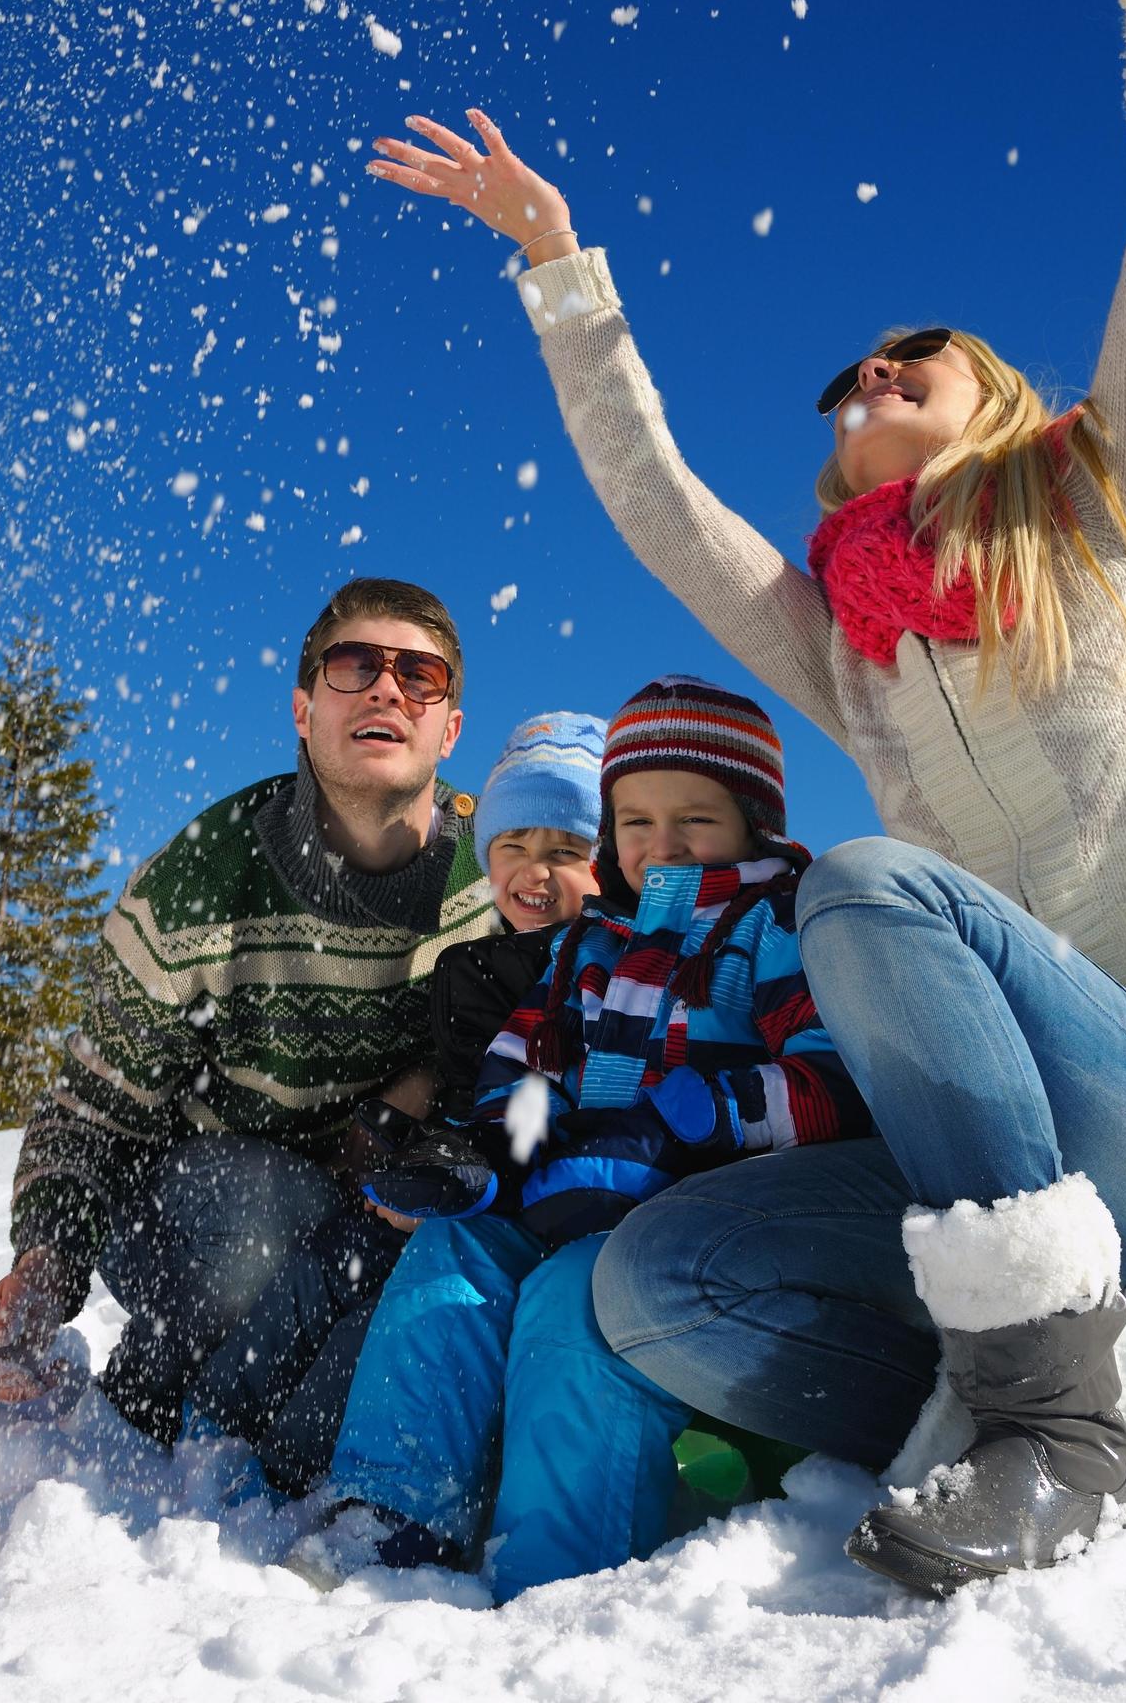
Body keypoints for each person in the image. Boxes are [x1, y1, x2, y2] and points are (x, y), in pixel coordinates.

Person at [361, 0, 1126, 1597]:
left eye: (912, 357)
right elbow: (657, 507)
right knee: (654, 1278)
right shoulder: (849, 644)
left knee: (875, 889)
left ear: (1002, 401)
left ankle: (1047, 1425)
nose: (865, 378)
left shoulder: (1106, 511)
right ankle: (1103, 1436)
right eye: (845, 376)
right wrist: (562, 268)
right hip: (999, 1186)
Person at [286, 676, 873, 1600]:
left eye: (696, 821)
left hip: (704, 1214)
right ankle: (395, 1506)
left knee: (574, 1297)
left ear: (753, 820)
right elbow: (529, 1070)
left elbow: (835, 1076)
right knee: (456, 1247)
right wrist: (491, 1152)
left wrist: (723, 1108)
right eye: (635, 822)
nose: (662, 845)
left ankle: (556, 1569)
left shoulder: (773, 924)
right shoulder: (588, 946)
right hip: (577, 1187)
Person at [0, 579, 495, 1446]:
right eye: (355, 666)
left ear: (450, 727)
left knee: (432, 1263)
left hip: (387, 1197)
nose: (388, 690)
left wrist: (423, 1086)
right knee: (268, 1221)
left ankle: (306, 1428)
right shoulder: (200, 884)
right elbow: (94, 1108)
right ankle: (161, 1406)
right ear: (303, 708)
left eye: (420, 677)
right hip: (201, 1203)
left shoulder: (493, 880)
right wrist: (46, 1268)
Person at [172, 711, 606, 1494]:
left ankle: (286, 1471)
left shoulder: (609, 971)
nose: (534, 873)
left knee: (382, 1320)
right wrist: (409, 1150)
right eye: (512, 847)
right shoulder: (478, 965)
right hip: (454, 1172)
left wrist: (459, 1187)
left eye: (566, 852)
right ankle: (211, 1420)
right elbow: (458, 1079)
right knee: (330, 1257)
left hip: (514, 1201)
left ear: (609, 865)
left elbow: (546, 1109)